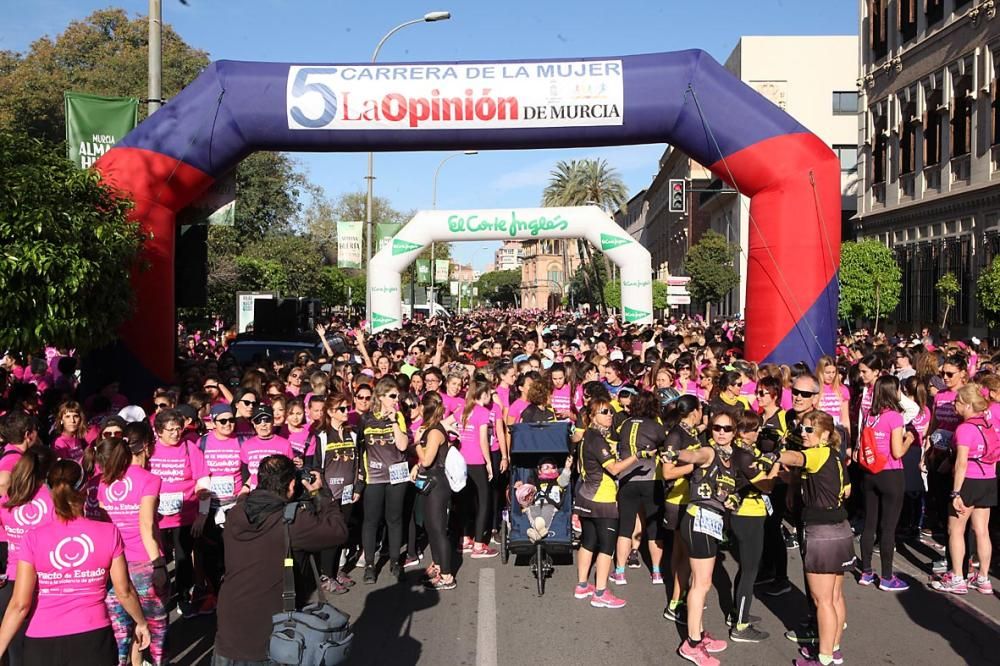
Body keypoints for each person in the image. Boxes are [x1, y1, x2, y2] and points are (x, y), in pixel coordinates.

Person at [0, 459, 150, 665]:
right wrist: (141, 623)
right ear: (86, 490)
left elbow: (20, 605)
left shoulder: (33, 538)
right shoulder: (108, 532)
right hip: (93, 637)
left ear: (50, 493)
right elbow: (124, 591)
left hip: (42, 641)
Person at [213, 455, 347, 665]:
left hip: (230, 622)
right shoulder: (291, 521)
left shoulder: (236, 513)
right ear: (292, 484)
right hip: (271, 628)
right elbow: (338, 531)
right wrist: (320, 494)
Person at [775, 411, 854, 666]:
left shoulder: (819, 453)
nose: (803, 433)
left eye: (809, 430)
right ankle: (833, 647)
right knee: (835, 596)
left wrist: (771, 454)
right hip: (841, 528)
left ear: (826, 435)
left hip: (822, 532)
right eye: (802, 428)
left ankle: (825, 658)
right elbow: (845, 490)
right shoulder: (835, 457)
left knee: (822, 601)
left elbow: (796, 457)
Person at [663, 410, 741, 665]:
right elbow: (694, 455)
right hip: (699, 521)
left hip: (709, 523)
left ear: (734, 432)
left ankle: (698, 633)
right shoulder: (709, 451)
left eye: (726, 429)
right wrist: (676, 453)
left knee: (702, 581)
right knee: (701, 584)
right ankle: (693, 643)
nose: (720, 432)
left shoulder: (732, 458)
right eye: (716, 427)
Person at [97, 424, 169, 666]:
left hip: (113, 563)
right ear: (147, 447)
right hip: (144, 563)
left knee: (122, 630)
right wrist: (159, 566)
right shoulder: (150, 479)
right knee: (154, 627)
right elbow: (146, 524)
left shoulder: (105, 480)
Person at [573, 398, 643, 610]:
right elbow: (613, 469)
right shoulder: (597, 439)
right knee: (606, 546)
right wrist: (636, 456)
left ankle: (582, 585)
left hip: (585, 496)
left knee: (588, 541)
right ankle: (601, 592)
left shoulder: (586, 437)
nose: (610, 415)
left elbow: (579, 466)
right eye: (604, 412)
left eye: (611, 411)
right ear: (592, 417)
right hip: (601, 499)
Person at [931, 383, 996, 595]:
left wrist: (956, 492)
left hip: (968, 481)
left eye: (957, 402)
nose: (954, 406)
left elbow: (960, 463)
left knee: (956, 529)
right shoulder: (989, 424)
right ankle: (984, 578)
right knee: (982, 530)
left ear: (967, 405)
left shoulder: (965, 429)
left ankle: (958, 577)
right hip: (988, 479)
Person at [148, 409, 211, 617]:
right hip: (156, 517)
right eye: (171, 430)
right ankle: (158, 596)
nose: (176, 433)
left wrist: (202, 515)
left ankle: (183, 596)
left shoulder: (189, 448)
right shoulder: (150, 450)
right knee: (157, 559)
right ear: (158, 431)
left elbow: (203, 479)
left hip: (184, 515)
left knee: (183, 559)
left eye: (178, 429)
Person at [0, 448, 55, 665]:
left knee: (17, 654)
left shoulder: (8, 498)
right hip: (43, 584)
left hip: (12, 582)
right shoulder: (53, 500)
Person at [727, 411, 778, 643]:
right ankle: (741, 625)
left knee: (745, 567)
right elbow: (766, 485)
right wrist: (775, 464)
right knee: (750, 571)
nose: (758, 433)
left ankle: (737, 612)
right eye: (754, 429)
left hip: (745, 514)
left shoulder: (741, 451)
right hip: (748, 514)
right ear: (742, 432)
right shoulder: (743, 455)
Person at [857, 375, 911, 591]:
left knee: (869, 523)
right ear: (894, 392)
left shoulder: (870, 414)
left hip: (870, 473)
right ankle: (887, 577)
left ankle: (866, 572)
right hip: (890, 474)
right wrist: (909, 440)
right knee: (888, 528)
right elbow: (897, 452)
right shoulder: (895, 417)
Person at [611, 391, 667, 586]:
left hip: (627, 478)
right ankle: (657, 572)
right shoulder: (656, 426)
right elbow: (664, 445)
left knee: (625, 527)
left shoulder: (624, 424)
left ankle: (619, 572)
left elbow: (616, 439)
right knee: (654, 528)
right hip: (651, 478)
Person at [358, 377, 410, 583]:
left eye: (397, 396)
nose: (396, 399)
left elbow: (403, 446)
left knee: (394, 519)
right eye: (392, 396)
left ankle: (395, 561)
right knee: (371, 520)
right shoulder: (366, 419)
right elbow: (360, 447)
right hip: (374, 476)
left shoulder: (398, 416)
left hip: (397, 475)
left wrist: (395, 422)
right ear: (380, 397)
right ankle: (370, 564)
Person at [310, 392, 359, 595]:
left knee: (342, 534)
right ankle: (326, 575)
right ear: (330, 412)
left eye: (347, 408)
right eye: (341, 409)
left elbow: (357, 464)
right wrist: (325, 493)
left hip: (348, 493)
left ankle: (336, 571)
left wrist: (358, 487)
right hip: (329, 495)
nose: (346, 412)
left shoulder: (353, 434)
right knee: (331, 535)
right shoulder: (321, 436)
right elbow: (317, 468)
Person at [660, 394, 703, 624]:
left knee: (679, 551)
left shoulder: (690, 431)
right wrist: (694, 466)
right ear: (695, 411)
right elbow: (667, 472)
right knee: (685, 554)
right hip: (678, 501)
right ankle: (676, 601)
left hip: (689, 499)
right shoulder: (676, 435)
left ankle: (679, 596)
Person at [411, 392, 457, 590]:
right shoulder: (431, 429)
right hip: (432, 482)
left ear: (424, 408)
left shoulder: (435, 432)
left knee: (438, 529)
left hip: (438, 484)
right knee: (431, 527)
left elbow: (428, 460)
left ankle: (447, 576)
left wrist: (416, 443)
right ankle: (438, 566)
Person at [457, 381, 497, 558]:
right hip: (476, 460)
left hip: (461, 460)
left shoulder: (463, 409)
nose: (490, 397)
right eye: (488, 394)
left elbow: (444, 423)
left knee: (465, 501)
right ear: (482, 394)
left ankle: (465, 539)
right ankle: (479, 544)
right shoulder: (483, 412)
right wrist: (488, 462)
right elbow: (483, 440)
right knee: (483, 501)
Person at [0, 413, 37, 497]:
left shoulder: (8, 449)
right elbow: (2, 482)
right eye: (35, 429)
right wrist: (15, 503)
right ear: (27, 435)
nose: (37, 433)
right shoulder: (15, 458)